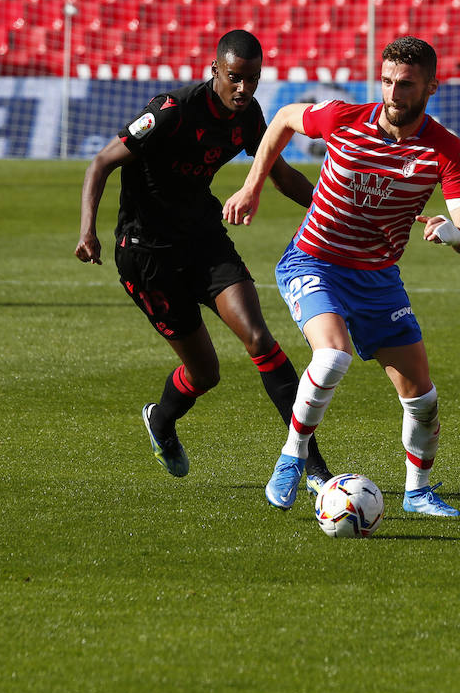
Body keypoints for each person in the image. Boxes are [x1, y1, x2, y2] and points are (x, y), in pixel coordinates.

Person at [223, 36, 460, 518]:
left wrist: (450, 233)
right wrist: (252, 185)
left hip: (378, 278)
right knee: (333, 354)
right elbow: (281, 119)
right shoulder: (345, 118)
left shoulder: (445, 149)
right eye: (386, 81)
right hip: (313, 260)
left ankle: (418, 492)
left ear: (431, 86)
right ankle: (292, 457)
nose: (392, 93)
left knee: (423, 399)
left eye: (405, 84)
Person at [75, 29, 334, 489]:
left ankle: (312, 467)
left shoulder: (250, 117)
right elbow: (101, 163)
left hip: (203, 241)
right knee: (205, 373)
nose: (243, 89)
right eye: (235, 77)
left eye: (252, 79)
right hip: (146, 254)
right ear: (215, 69)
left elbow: (281, 175)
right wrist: (87, 232)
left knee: (259, 338)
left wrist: (333, 209)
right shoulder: (170, 111)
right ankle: (161, 421)